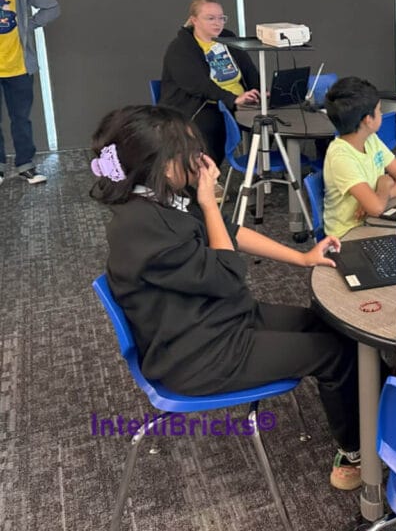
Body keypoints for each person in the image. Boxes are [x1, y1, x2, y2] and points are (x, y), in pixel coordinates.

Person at [90, 105, 362, 490]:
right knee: (333, 354)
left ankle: (383, 412)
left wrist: (302, 257)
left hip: (216, 320)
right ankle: (356, 451)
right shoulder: (141, 230)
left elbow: (228, 234)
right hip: (197, 356)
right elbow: (228, 272)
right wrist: (208, 202)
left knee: (330, 324)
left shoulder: (157, 197)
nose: (201, 159)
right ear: (165, 166)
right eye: (188, 151)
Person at [158, 0, 260, 167]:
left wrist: (258, 90)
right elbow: (198, 85)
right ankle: (208, 177)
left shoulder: (228, 38)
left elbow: (248, 69)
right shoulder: (180, 48)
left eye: (221, 18)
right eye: (210, 18)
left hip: (237, 102)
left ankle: (259, 168)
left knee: (271, 120)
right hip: (198, 104)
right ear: (194, 20)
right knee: (211, 126)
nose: (217, 23)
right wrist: (233, 99)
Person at [0, 0, 60, 185]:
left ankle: (26, 165)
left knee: (21, 119)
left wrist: (29, 25)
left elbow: (52, 6)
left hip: (18, 66)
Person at [322, 77, 396, 239]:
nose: (381, 114)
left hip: (372, 220)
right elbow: (375, 208)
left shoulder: (370, 138)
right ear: (368, 120)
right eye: (379, 110)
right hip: (346, 235)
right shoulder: (341, 156)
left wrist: (379, 196)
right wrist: (384, 182)